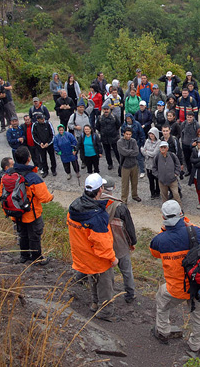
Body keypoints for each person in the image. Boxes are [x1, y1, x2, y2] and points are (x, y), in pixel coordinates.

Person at [150, 200, 200, 356]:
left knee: (162, 301)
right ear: (181, 214)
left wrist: (163, 229)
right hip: (199, 286)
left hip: (176, 288)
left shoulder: (160, 240)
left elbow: (154, 252)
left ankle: (163, 332)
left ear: (163, 217)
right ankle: (195, 346)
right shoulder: (195, 233)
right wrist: (187, 224)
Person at [67, 173, 118, 321]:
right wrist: (112, 258)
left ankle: (95, 303)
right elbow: (102, 244)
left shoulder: (74, 208)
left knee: (92, 278)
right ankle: (106, 312)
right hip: (98, 259)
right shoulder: (97, 216)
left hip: (82, 255)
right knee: (105, 285)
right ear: (100, 189)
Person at [2, 146, 53, 264]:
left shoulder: (9, 176)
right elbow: (44, 198)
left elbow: (2, 193)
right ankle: (36, 258)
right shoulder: (32, 177)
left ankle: (24, 256)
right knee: (34, 236)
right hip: (31, 213)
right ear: (29, 159)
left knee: (22, 235)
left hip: (15, 212)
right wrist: (52, 197)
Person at [102, 179, 138, 304]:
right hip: (120, 243)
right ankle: (130, 294)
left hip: (103, 244)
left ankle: (82, 278)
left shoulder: (94, 203)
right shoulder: (120, 206)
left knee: (105, 273)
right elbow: (129, 226)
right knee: (127, 271)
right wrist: (132, 242)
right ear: (114, 187)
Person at [153, 141, 182, 207]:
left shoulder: (172, 156)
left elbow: (178, 165)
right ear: (159, 148)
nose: (163, 149)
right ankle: (165, 210)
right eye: (161, 147)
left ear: (167, 148)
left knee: (176, 195)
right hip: (162, 181)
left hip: (173, 180)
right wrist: (159, 176)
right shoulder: (157, 157)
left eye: (164, 147)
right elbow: (154, 168)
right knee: (164, 197)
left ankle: (180, 210)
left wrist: (176, 173)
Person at [117, 126, 141, 203]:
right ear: (123, 134)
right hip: (125, 166)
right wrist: (131, 152)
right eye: (127, 134)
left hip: (134, 165)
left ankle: (135, 195)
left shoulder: (133, 141)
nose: (128, 136)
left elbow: (136, 152)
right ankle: (124, 199)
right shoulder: (120, 142)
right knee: (125, 184)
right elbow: (123, 152)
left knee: (135, 182)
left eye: (130, 134)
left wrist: (128, 152)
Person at [32, 113, 57, 178]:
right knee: (43, 158)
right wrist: (40, 143)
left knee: (52, 157)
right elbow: (34, 136)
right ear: (38, 120)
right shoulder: (35, 125)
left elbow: (52, 134)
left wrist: (48, 143)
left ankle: (53, 169)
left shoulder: (48, 124)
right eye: (41, 119)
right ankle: (45, 170)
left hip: (49, 144)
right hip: (41, 145)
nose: (43, 120)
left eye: (43, 118)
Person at [96, 106, 120, 171]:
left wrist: (114, 132)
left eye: (107, 109)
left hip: (113, 138)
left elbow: (118, 125)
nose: (106, 111)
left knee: (117, 151)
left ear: (109, 110)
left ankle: (120, 163)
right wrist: (102, 132)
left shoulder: (114, 117)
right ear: (103, 110)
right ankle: (110, 164)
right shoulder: (100, 118)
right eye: (104, 109)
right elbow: (97, 127)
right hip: (104, 139)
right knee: (107, 152)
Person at [142, 127, 162, 200]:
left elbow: (155, 153)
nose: (151, 135)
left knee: (157, 180)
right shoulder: (147, 141)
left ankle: (157, 193)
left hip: (155, 165)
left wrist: (147, 152)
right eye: (150, 134)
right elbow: (143, 151)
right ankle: (152, 193)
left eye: (153, 134)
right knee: (150, 180)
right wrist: (147, 152)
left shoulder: (159, 142)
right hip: (148, 165)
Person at [180, 113, 199, 179]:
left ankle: (195, 172)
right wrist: (182, 141)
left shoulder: (196, 124)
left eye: (190, 117)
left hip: (193, 144)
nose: (189, 119)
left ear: (193, 117)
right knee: (187, 158)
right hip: (185, 144)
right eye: (188, 117)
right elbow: (181, 133)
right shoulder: (183, 124)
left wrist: (196, 141)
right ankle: (189, 171)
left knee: (194, 159)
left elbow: (198, 134)